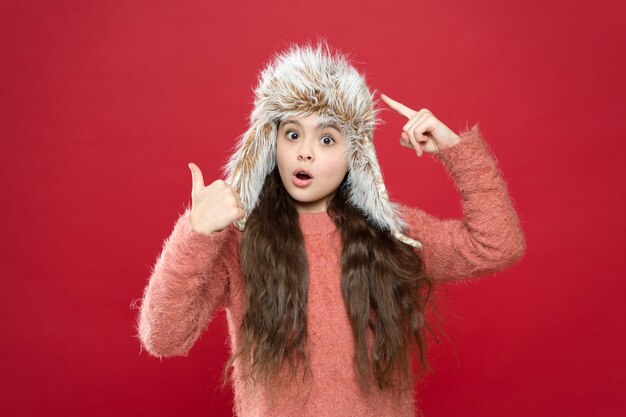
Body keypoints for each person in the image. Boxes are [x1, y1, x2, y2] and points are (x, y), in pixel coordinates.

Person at [134, 41, 526, 417]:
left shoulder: (391, 231)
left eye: (326, 138)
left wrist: (453, 149)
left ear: (354, 156)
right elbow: (164, 336)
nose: (305, 151)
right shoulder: (239, 239)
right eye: (292, 134)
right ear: (271, 145)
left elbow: (496, 245)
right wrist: (196, 233)